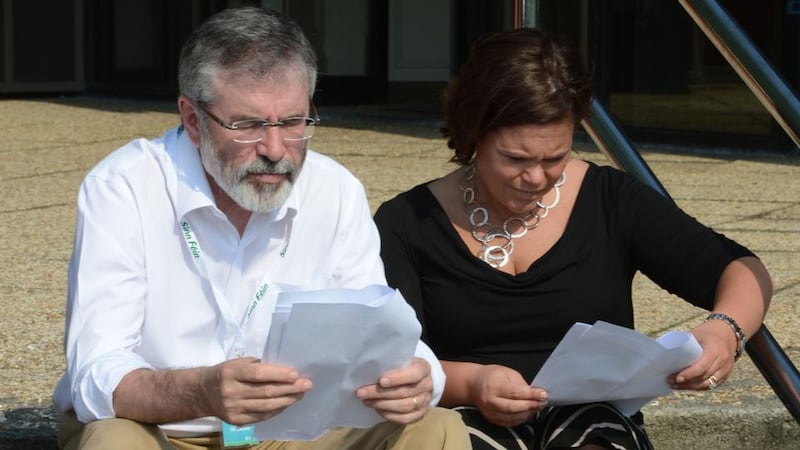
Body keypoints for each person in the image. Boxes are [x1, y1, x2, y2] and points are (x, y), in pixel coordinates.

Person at [53, 7, 470, 450]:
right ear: (193, 120)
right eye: (248, 125)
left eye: (292, 123)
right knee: (113, 441)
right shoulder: (125, 188)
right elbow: (96, 373)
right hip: (162, 430)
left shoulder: (333, 189)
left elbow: (376, 326)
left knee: (436, 428)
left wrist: (418, 378)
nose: (275, 150)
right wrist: (203, 391)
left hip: (295, 432)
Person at [374, 27, 773, 450]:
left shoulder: (609, 199)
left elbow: (740, 269)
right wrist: (473, 383)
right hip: (461, 414)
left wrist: (724, 331)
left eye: (555, 158)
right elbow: (390, 362)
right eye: (515, 158)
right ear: (474, 135)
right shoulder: (407, 221)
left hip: (594, 418)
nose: (536, 178)